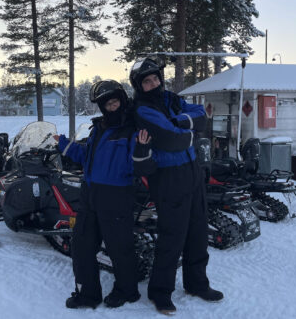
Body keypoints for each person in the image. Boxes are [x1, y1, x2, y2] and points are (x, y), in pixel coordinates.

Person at [130, 58, 224, 314]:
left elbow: (201, 115)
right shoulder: (141, 109)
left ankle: (197, 284)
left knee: (197, 231)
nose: (153, 83)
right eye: (147, 81)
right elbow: (171, 141)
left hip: (191, 170)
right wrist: (188, 128)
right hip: (168, 175)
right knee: (172, 236)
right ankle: (160, 292)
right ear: (140, 86)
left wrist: (181, 124)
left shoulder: (171, 99)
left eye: (155, 78)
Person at [53, 80, 141, 310]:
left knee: (118, 247)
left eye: (115, 101)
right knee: (81, 245)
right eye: (106, 103)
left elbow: (140, 162)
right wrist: (65, 145)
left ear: (122, 99)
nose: (112, 106)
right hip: (90, 194)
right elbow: (88, 157)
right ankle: (88, 294)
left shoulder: (132, 128)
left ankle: (127, 290)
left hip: (117, 194)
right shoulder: (99, 128)